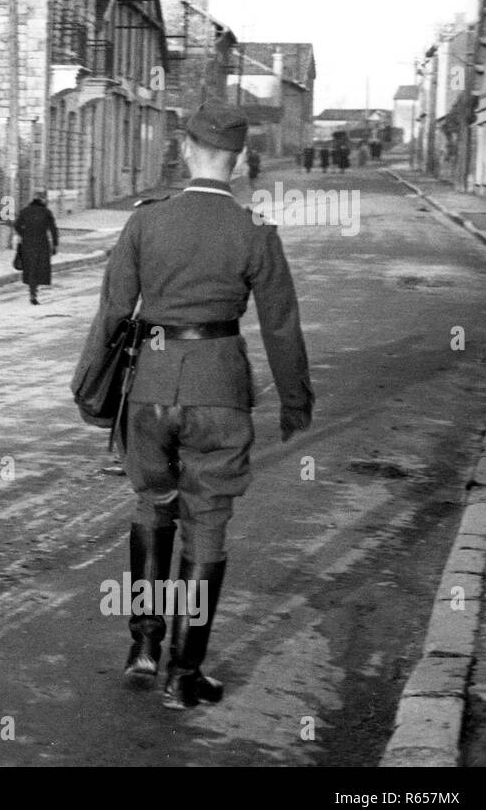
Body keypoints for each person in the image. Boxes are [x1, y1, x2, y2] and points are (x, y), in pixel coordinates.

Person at [72, 102, 314, 710]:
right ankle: (186, 674)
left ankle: (143, 646)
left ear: (185, 152)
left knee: (152, 503)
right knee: (207, 522)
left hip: (149, 390)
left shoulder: (146, 222)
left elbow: (112, 311)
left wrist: (88, 387)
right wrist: (295, 402)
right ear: (238, 163)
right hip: (220, 392)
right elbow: (281, 325)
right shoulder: (254, 229)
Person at [14, 192, 59, 305]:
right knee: (38, 269)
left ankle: (32, 292)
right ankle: (34, 292)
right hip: (42, 245)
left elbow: (17, 225)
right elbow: (53, 230)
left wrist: (24, 234)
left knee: (31, 269)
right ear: (42, 202)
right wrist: (55, 244)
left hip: (28, 244)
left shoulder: (25, 211)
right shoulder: (46, 212)